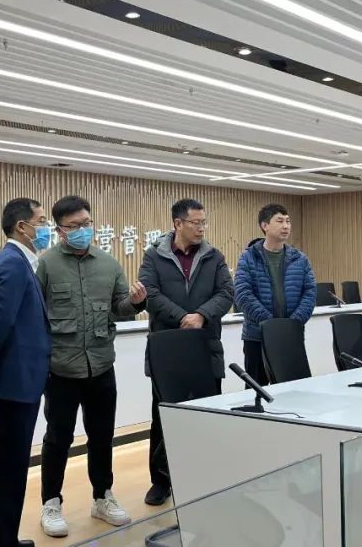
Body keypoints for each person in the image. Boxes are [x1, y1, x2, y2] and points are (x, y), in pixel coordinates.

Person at [35, 196, 145, 538]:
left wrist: (136, 302)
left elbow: (119, 307)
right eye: (74, 226)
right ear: (60, 231)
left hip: (100, 365)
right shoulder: (46, 264)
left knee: (102, 435)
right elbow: (35, 315)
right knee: (58, 438)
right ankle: (51, 502)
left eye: (86, 223)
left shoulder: (108, 264)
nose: (83, 230)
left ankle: (102, 496)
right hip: (61, 368)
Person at [0, 198, 52, 547]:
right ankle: (0, 541)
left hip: (17, 382)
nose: (46, 228)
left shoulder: (18, 262)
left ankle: (4, 538)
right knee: (7, 468)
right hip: (11, 384)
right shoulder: (13, 264)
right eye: (41, 221)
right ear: (21, 226)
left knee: (10, 467)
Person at [138, 198, 234, 506]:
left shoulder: (214, 256)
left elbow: (227, 293)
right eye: (196, 223)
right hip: (167, 349)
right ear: (178, 223)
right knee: (163, 417)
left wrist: (202, 315)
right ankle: (161, 481)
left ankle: (205, 477)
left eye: (204, 222)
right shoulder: (154, 255)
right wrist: (183, 317)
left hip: (205, 345)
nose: (202, 228)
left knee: (206, 415)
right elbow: (150, 294)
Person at [234, 204, 316, 387]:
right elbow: (242, 293)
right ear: (265, 226)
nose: (286, 226)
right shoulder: (248, 257)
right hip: (257, 336)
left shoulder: (300, 259)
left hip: (290, 335)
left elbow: (310, 292)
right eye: (280, 221)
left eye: (288, 221)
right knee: (257, 390)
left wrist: (292, 323)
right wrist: (269, 324)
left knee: (293, 388)